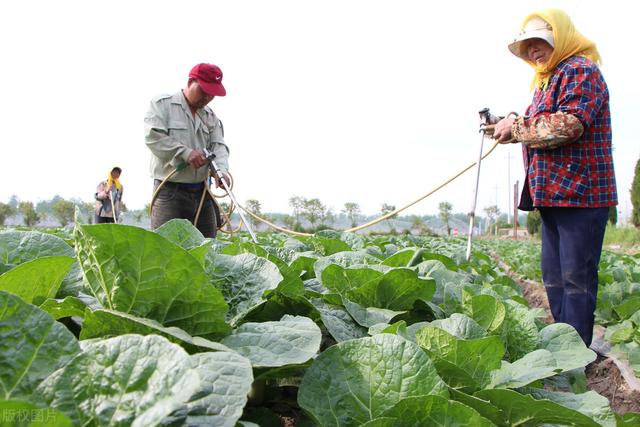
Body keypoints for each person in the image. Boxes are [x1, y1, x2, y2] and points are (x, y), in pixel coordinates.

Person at [492, 9, 617, 347]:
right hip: (554, 195)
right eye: (528, 45)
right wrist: (508, 122)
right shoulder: (547, 80)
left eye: (539, 42)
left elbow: (569, 124)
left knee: (576, 279)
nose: (533, 50)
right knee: (555, 279)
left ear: (559, 38)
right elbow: (540, 122)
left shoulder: (580, 70)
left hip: (582, 195)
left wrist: (516, 127)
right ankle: (566, 350)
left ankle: (577, 354)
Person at [144, 63, 230, 237]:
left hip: (202, 192)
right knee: (166, 248)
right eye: (204, 90)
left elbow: (218, 147)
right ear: (191, 81)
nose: (207, 97)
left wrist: (221, 171)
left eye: (212, 94)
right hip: (169, 191)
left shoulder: (210, 117)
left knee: (207, 247)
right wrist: (185, 153)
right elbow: (153, 136)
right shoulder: (162, 105)